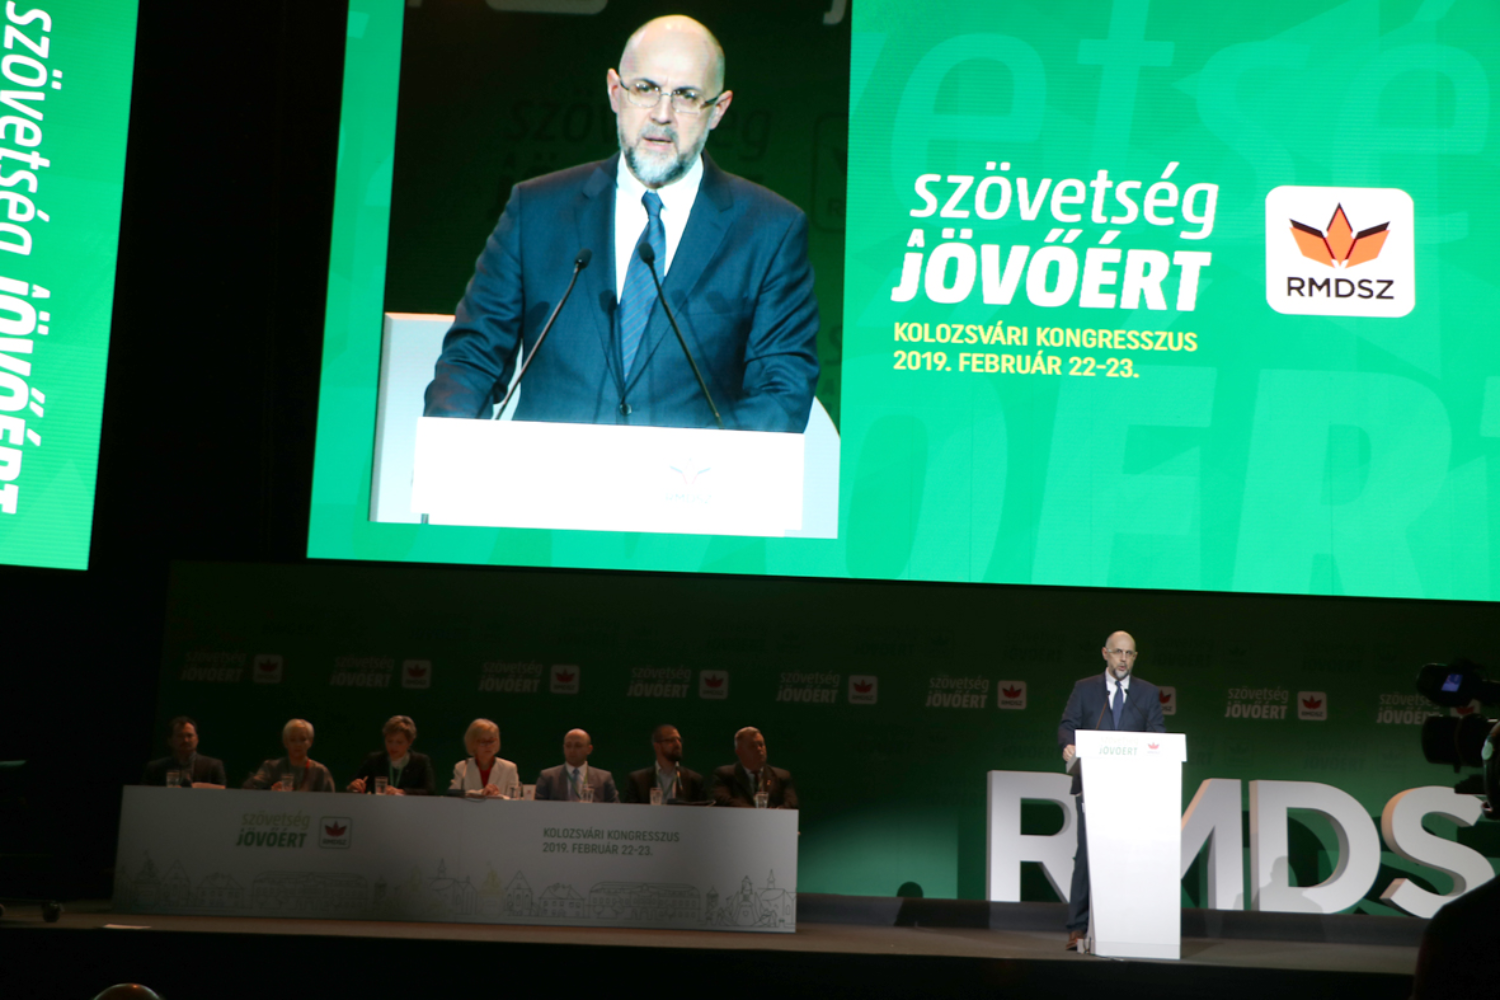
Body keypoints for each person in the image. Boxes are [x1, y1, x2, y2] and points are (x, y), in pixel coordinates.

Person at [423, 15, 819, 432]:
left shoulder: (769, 230)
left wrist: (696, 467)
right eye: (645, 89)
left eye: (686, 96)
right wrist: (449, 448)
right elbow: (472, 361)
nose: (662, 115)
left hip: (690, 475)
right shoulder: (536, 210)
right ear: (615, 91)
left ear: (717, 110)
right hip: (549, 473)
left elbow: (782, 391)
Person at [1057, 630, 1166, 950]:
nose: (1123, 659)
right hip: (1092, 786)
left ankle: (1127, 923)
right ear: (1105, 653)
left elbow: (1158, 734)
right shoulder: (1085, 688)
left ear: (1135, 657)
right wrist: (1068, 745)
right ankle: (1078, 927)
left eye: (1129, 654)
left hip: (1133, 789)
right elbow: (1067, 725)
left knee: (1129, 856)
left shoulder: (1147, 693)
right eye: (1118, 652)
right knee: (1087, 854)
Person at [709, 726, 798, 809]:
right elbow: (723, 801)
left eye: (761, 745)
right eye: (752, 746)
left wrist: (772, 815)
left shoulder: (782, 776)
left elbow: (792, 803)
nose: (759, 749)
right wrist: (757, 814)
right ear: (739, 751)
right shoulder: (725, 775)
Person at [348, 715, 436, 796]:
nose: (393, 746)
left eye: (399, 742)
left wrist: (401, 792)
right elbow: (355, 785)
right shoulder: (374, 760)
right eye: (389, 741)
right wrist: (354, 786)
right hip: (378, 806)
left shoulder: (421, 761)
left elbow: (429, 791)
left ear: (410, 742)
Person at [243, 719, 336, 792]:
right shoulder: (271, 767)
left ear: (310, 742)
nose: (298, 744)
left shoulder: (320, 771)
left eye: (302, 739)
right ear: (285, 742)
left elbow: (331, 802)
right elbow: (248, 790)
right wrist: (270, 792)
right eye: (292, 740)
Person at [620, 724, 706, 804]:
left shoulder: (694, 780)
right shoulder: (638, 780)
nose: (677, 744)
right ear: (657, 746)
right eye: (671, 740)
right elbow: (630, 812)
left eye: (679, 740)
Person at [534, 729, 618, 802]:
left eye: (578, 746)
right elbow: (538, 807)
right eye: (568, 746)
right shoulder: (548, 777)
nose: (572, 750)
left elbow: (615, 809)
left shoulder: (603, 779)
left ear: (589, 749)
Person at [141, 716, 227, 787]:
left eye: (189, 736)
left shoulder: (213, 766)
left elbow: (223, 792)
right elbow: (145, 794)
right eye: (180, 736)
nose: (185, 740)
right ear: (170, 741)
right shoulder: (155, 769)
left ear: (197, 739)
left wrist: (195, 786)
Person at [449, 718, 521, 798]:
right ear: (472, 743)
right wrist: (482, 793)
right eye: (482, 742)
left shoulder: (509, 768)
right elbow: (454, 796)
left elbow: (514, 799)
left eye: (491, 741)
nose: (488, 746)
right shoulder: (462, 767)